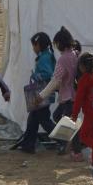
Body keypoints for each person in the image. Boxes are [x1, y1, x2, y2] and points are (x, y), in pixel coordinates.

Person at [37, 27, 80, 157]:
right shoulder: (75, 54)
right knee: (58, 117)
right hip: (74, 95)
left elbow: (55, 80)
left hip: (68, 97)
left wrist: (41, 95)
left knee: (70, 124)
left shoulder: (63, 59)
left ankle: (76, 151)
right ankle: (68, 143)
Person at [13, 32, 57, 153]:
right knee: (33, 120)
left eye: (34, 45)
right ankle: (28, 145)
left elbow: (48, 74)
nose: (33, 48)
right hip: (44, 94)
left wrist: (36, 75)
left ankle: (63, 140)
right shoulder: (47, 55)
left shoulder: (44, 58)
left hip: (41, 94)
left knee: (44, 121)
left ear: (38, 45)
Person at [72, 52, 93, 165]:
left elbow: (79, 99)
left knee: (84, 136)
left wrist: (74, 115)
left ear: (82, 66)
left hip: (89, 113)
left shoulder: (84, 80)